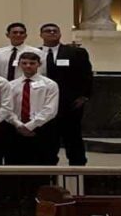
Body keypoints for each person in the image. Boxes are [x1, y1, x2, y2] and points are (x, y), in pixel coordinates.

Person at [39, 23, 93, 166]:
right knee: (49, 139)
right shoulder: (35, 53)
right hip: (44, 104)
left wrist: (84, 96)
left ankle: (78, 169)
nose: (51, 33)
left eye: (54, 31)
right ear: (41, 35)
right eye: (47, 31)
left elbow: (87, 75)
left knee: (73, 138)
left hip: (70, 104)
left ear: (60, 34)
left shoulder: (75, 52)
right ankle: (47, 171)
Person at [7, 52, 60, 165]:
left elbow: (50, 109)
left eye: (32, 63)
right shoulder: (11, 85)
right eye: (24, 63)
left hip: (42, 129)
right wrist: (19, 125)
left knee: (42, 164)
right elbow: (7, 108)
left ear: (39, 64)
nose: (28, 66)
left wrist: (31, 126)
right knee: (15, 164)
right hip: (16, 129)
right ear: (19, 65)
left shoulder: (50, 85)